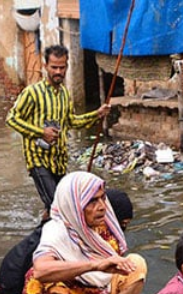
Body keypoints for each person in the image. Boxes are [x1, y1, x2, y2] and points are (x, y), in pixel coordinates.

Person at [22, 172, 146, 294]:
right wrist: (94, 265)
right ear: (75, 205)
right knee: (36, 280)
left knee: (135, 264)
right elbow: (41, 270)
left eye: (102, 198)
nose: (102, 207)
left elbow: (114, 271)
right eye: (92, 201)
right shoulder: (56, 230)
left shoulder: (104, 227)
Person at [6, 45, 111, 217]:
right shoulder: (32, 93)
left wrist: (96, 114)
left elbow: (72, 122)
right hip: (38, 159)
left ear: (67, 67)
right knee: (58, 206)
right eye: (54, 67)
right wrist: (41, 132)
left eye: (62, 67)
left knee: (58, 206)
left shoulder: (64, 94)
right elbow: (11, 118)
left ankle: (43, 229)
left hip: (59, 161)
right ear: (45, 66)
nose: (58, 71)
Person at [0, 188, 134, 294]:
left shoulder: (92, 234)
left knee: (131, 267)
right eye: (121, 225)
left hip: (12, 283)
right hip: (17, 293)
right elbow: (39, 272)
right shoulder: (59, 231)